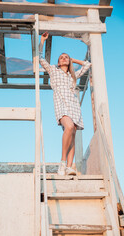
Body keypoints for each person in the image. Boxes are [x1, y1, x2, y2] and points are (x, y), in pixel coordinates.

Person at [39, 32, 91, 176]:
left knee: (72, 133)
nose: (64, 58)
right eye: (61, 57)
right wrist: (42, 40)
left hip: (73, 106)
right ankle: (62, 162)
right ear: (58, 61)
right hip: (61, 104)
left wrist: (73, 59)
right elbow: (40, 58)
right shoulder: (53, 71)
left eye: (66, 57)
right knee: (68, 126)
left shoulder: (73, 76)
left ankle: (69, 167)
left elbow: (87, 65)